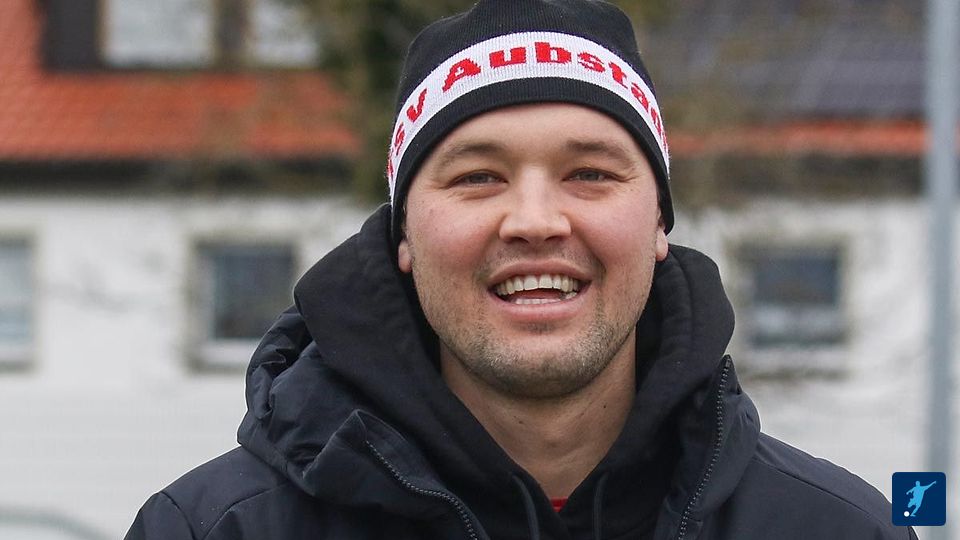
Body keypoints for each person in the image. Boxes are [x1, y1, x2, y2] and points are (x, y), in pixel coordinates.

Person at [126, 1, 916, 538]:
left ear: (658, 225)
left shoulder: (841, 528)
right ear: (403, 237)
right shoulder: (211, 529)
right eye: (478, 177)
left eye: (590, 174)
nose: (535, 221)